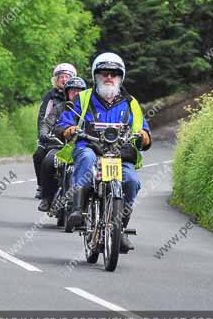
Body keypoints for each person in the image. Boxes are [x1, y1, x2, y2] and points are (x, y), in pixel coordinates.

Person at [55, 52, 151, 253]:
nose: (109, 77)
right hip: (89, 147)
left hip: (120, 154)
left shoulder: (131, 103)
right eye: (104, 73)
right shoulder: (83, 98)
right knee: (87, 159)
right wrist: (68, 129)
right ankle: (77, 210)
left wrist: (143, 135)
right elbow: (64, 121)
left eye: (114, 73)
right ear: (95, 75)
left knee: (132, 181)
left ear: (120, 77)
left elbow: (144, 131)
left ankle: (120, 229)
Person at [37, 76, 87, 212]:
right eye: (72, 91)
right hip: (60, 146)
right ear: (67, 93)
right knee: (48, 162)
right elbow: (47, 123)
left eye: (79, 91)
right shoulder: (59, 108)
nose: (76, 94)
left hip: (82, 147)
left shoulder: (88, 109)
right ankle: (47, 198)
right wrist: (44, 133)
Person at [33, 63, 76, 199]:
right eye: (61, 77)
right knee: (40, 155)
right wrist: (43, 134)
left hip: (76, 139)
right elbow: (44, 118)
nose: (64, 79)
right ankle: (42, 186)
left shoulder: (83, 100)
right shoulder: (51, 97)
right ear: (56, 80)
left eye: (67, 77)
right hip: (54, 136)